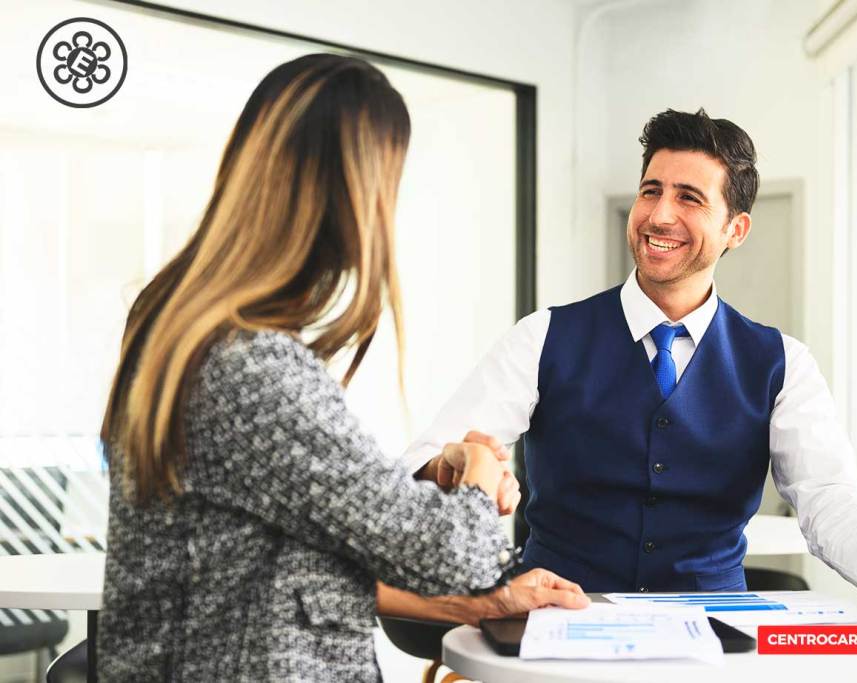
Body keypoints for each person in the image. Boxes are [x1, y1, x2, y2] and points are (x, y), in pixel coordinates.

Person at [97, 53, 585, 682]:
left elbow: (291, 560)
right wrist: (481, 468)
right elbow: (450, 551)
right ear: (353, 194)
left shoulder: (185, 335)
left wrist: (488, 596)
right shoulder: (250, 369)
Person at [404, 109, 857, 625]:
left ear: (736, 229)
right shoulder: (544, 336)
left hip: (715, 635)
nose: (659, 215)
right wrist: (449, 465)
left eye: (689, 198)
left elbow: (829, 495)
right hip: (560, 618)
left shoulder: (783, 363)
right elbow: (424, 459)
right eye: (650, 191)